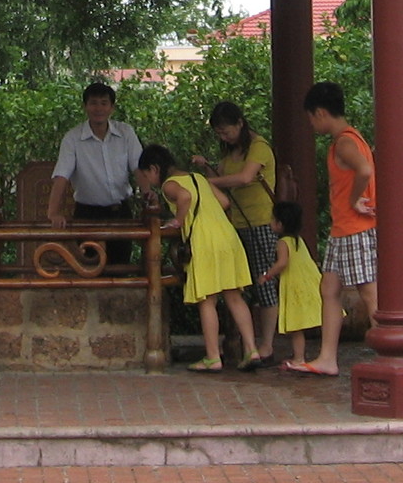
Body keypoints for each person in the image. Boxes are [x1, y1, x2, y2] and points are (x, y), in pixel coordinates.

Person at [137, 143, 263, 372]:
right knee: (234, 297)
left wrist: (178, 220)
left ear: (154, 169)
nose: (149, 180)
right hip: (228, 238)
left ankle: (213, 357)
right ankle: (252, 349)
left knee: (207, 300)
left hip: (204, 241)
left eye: (147, 175)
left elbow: (184, 197)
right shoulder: (198, 177)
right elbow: (225, 202)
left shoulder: (169, 185)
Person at [288, 80, 374, 376]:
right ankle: (327, 358)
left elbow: (364, 171)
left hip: (355, 227)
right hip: (342, 229)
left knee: (369, 292)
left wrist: (354, 200)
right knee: (329, 288)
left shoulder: (346, 142)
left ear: (321, 113)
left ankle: (389, 353)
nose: (311, 124)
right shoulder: (351, 139)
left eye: (311, 117)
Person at [191, 100, 278, 361]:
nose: (224, 136)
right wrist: (207, 168)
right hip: (236, 223)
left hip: (260, 220)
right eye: (219, 133)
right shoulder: (231, 152)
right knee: (239, 285)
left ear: (240, 123)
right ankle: (247, 343)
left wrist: (206, 182)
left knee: (264, 283)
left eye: (227, 131)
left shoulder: (259, 147)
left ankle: (268, 344)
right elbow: (224, 178)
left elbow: (244, 178)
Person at [46, 80, 142, 263]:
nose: (98, 108)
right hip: (87, 214)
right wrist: (53, 213)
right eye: (93, 103)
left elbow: (138, 168)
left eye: (104, 103)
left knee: (121, 268)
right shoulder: (72, 138)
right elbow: (61, 176)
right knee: (90, 268)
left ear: (112, 108)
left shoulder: (126, 133)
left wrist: (148, 197)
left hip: (120, 213)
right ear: (85, 107)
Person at [259, 200, 323, 368]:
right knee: (313, 320)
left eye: (273, 219)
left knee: (296, 326)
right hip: (309, 281)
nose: (270, 222)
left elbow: (282, 263)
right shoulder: (298, 240)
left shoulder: (282, 243)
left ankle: (298, 359)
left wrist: (266, 276)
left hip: (294, 285)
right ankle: (313, 355)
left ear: (280, 224)